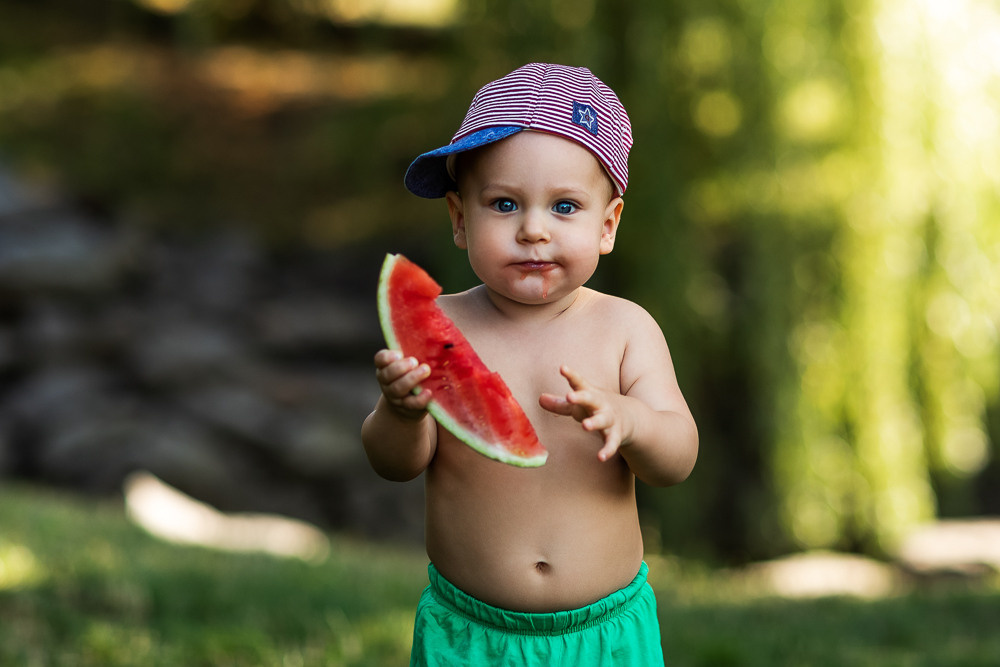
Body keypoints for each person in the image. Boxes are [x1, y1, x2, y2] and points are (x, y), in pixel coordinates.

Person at [361, 62, 698, 665]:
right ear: (461, 219)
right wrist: (401, 413)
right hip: (469, 633)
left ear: (608, 224)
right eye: (505, 203)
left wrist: (633, 420)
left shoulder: (625, 329)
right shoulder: (442, 329)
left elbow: (678, 457)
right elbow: (394, 464)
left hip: (605, 634)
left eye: (565, 207)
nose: (534, 230)